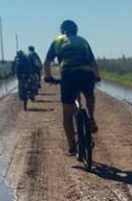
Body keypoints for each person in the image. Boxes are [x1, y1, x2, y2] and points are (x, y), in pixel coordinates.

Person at [43, 19, 100, 156]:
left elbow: (47, 63)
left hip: (68, 76)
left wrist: (49, 77)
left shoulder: (58, 41)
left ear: (63, 31)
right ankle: (91, 117)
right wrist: (96, 77)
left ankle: (72, 148)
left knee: (67, 115)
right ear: (76, 30)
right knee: (89, 95)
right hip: (85, 75)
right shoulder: (83, 41)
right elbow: (93, 63)